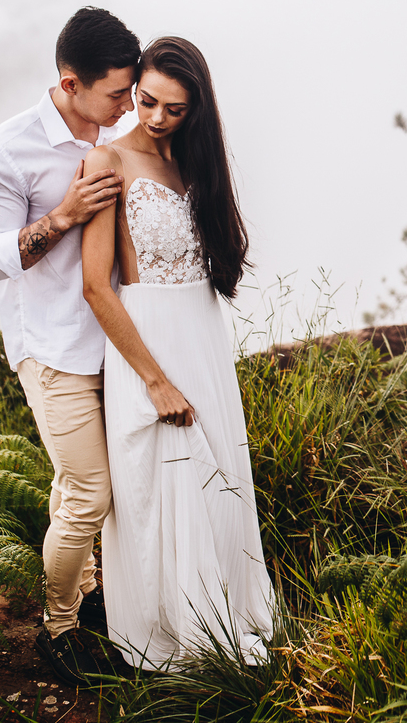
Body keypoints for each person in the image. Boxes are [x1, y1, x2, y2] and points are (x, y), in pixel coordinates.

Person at [81, 36, 276, 669]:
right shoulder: (106, 161)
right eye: (147, 102)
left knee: (219, 475)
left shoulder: (197, 165)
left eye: (176, 108)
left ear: (197, 109)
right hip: (149, 338)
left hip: (203, 334)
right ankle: (171, 643)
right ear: (134, 89)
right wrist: (155, 381)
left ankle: (231, 619)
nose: (158, 118)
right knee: (163, 483)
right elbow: (95, 286)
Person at [0, 7, 139, 686]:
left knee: (96, 487)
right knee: (88, 492)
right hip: (53, 349)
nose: (128, 106)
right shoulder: (7, 150)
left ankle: (93, 598)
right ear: (71, 83)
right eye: (117, 93)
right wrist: (63, 216)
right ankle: (57, 627)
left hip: (119, 347)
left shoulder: (120, 139)